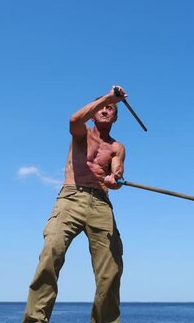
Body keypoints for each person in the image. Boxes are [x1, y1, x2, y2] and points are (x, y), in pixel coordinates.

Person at [22, 86, 128, 323]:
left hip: (101, 204)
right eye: (101, 106)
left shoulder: (117, 147)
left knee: (110, 271)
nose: (105, 109)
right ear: (93, 113)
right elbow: (73, 119)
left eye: (110, 108)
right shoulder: (82, 133)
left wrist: (114, 180)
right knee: (51, 252)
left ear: (115, 117)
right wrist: (108, 97)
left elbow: (116, 177)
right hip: (71, 198)